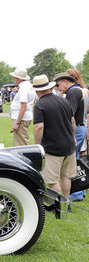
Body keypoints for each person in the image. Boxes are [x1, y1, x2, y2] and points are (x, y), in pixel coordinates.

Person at [32, 75, 76, 200]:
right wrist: (73, 138)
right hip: (68, 144)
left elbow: (39, 127)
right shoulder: (64, 101)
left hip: (52, 147)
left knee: (52, 180)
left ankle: (57, 206)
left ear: (37, 90)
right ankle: (66, 203)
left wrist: (37, 145)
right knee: (66, 176)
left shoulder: (40, 105)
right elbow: (72, 121)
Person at [54, 72, 86, 201]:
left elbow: (70, 113)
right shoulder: (80, 90)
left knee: (72, 163)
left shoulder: (73, 92)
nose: (58, 87)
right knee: (75, 161)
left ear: (66, 81)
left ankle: (75, 194)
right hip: (80, 127)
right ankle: (80, 191)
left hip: (76, 128)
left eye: (59, 84)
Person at [9, 67, 36, 146]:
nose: (13, 79)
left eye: (14, 77)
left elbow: (23, 106)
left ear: (18, 78)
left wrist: (17, 122)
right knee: (22, 140)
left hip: (21, 118)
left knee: (21, 143)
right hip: (24, 116)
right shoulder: (29, 86)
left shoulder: (23, 88)